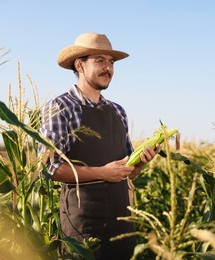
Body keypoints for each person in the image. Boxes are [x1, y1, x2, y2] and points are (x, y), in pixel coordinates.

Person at [39, 32, 160, 259]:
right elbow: (49, 168)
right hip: (83, 229)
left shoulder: (118, 111)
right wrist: (103, 173)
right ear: (80, 65)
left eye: (111, 62)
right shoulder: (60, 107)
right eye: (100, 61)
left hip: (122, 225)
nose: (108, 68)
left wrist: (141, 163)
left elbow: (127, 173)